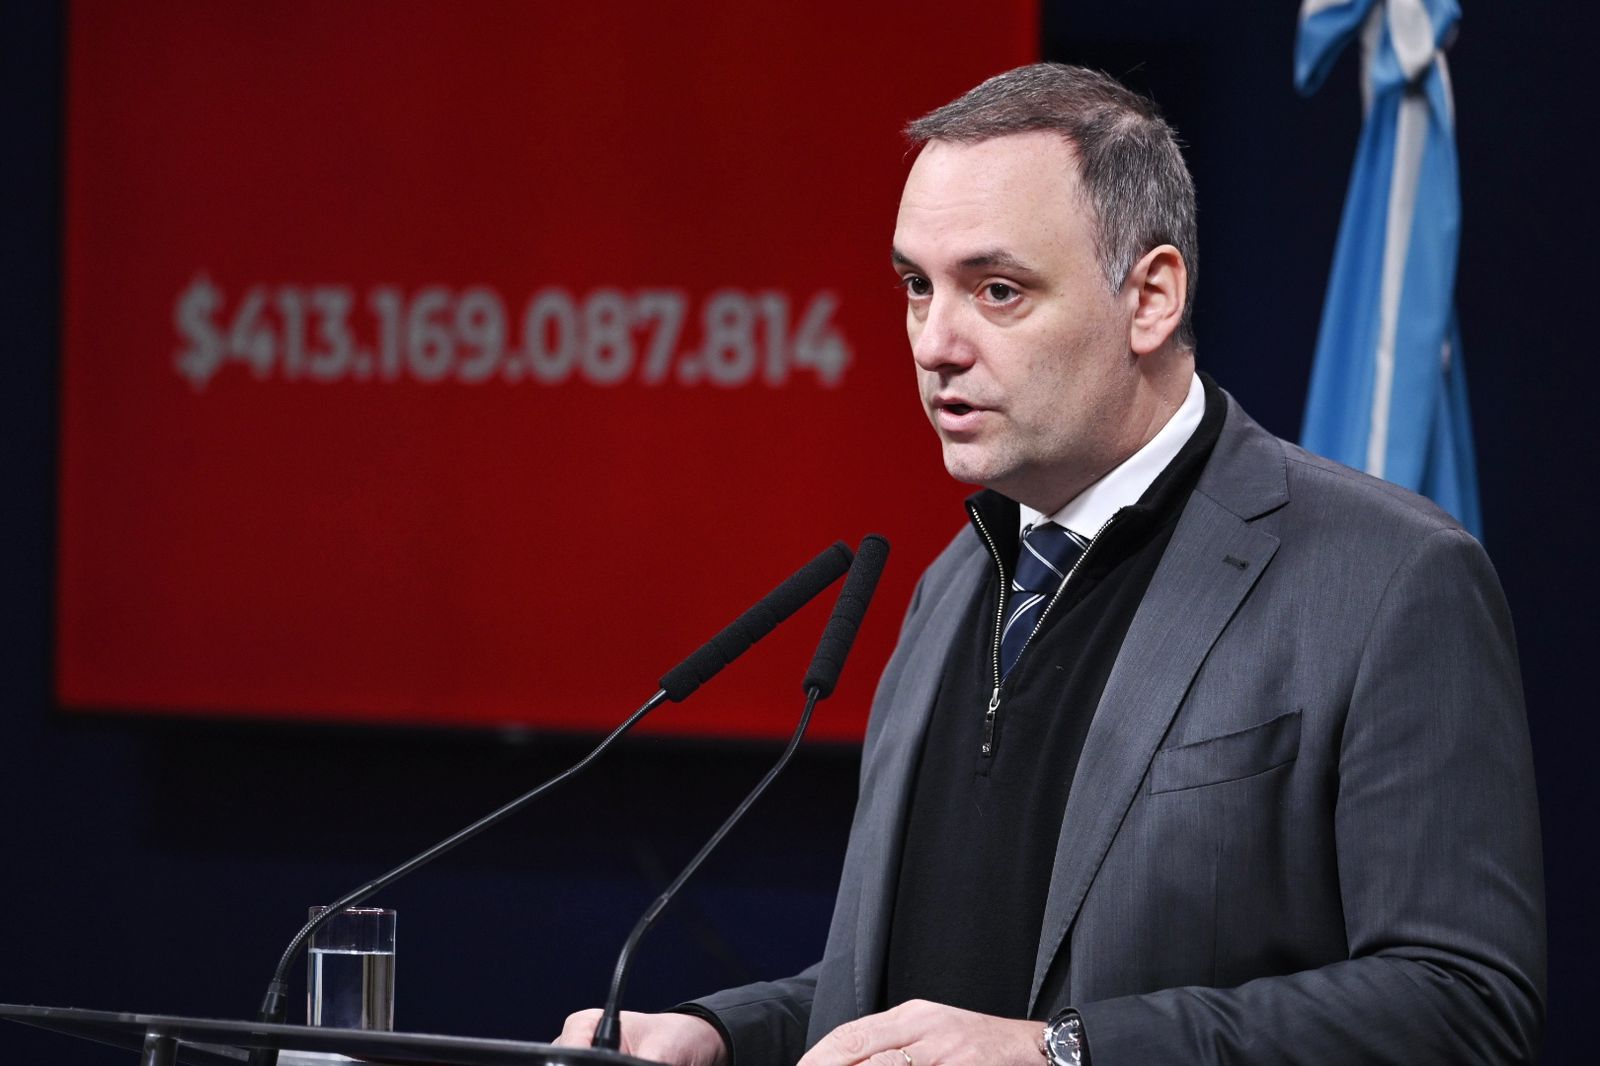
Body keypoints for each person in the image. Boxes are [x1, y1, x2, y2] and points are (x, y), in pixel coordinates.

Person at [556, 63, 1545, 1065]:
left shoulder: (1386, 577)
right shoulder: (955, 583)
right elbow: (922, 997)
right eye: (916, 287)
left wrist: (1065, 1053)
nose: (935, 344)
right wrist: (721, 1034)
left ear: (1150, 297)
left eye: (997, 290)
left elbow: (1461, 1003)